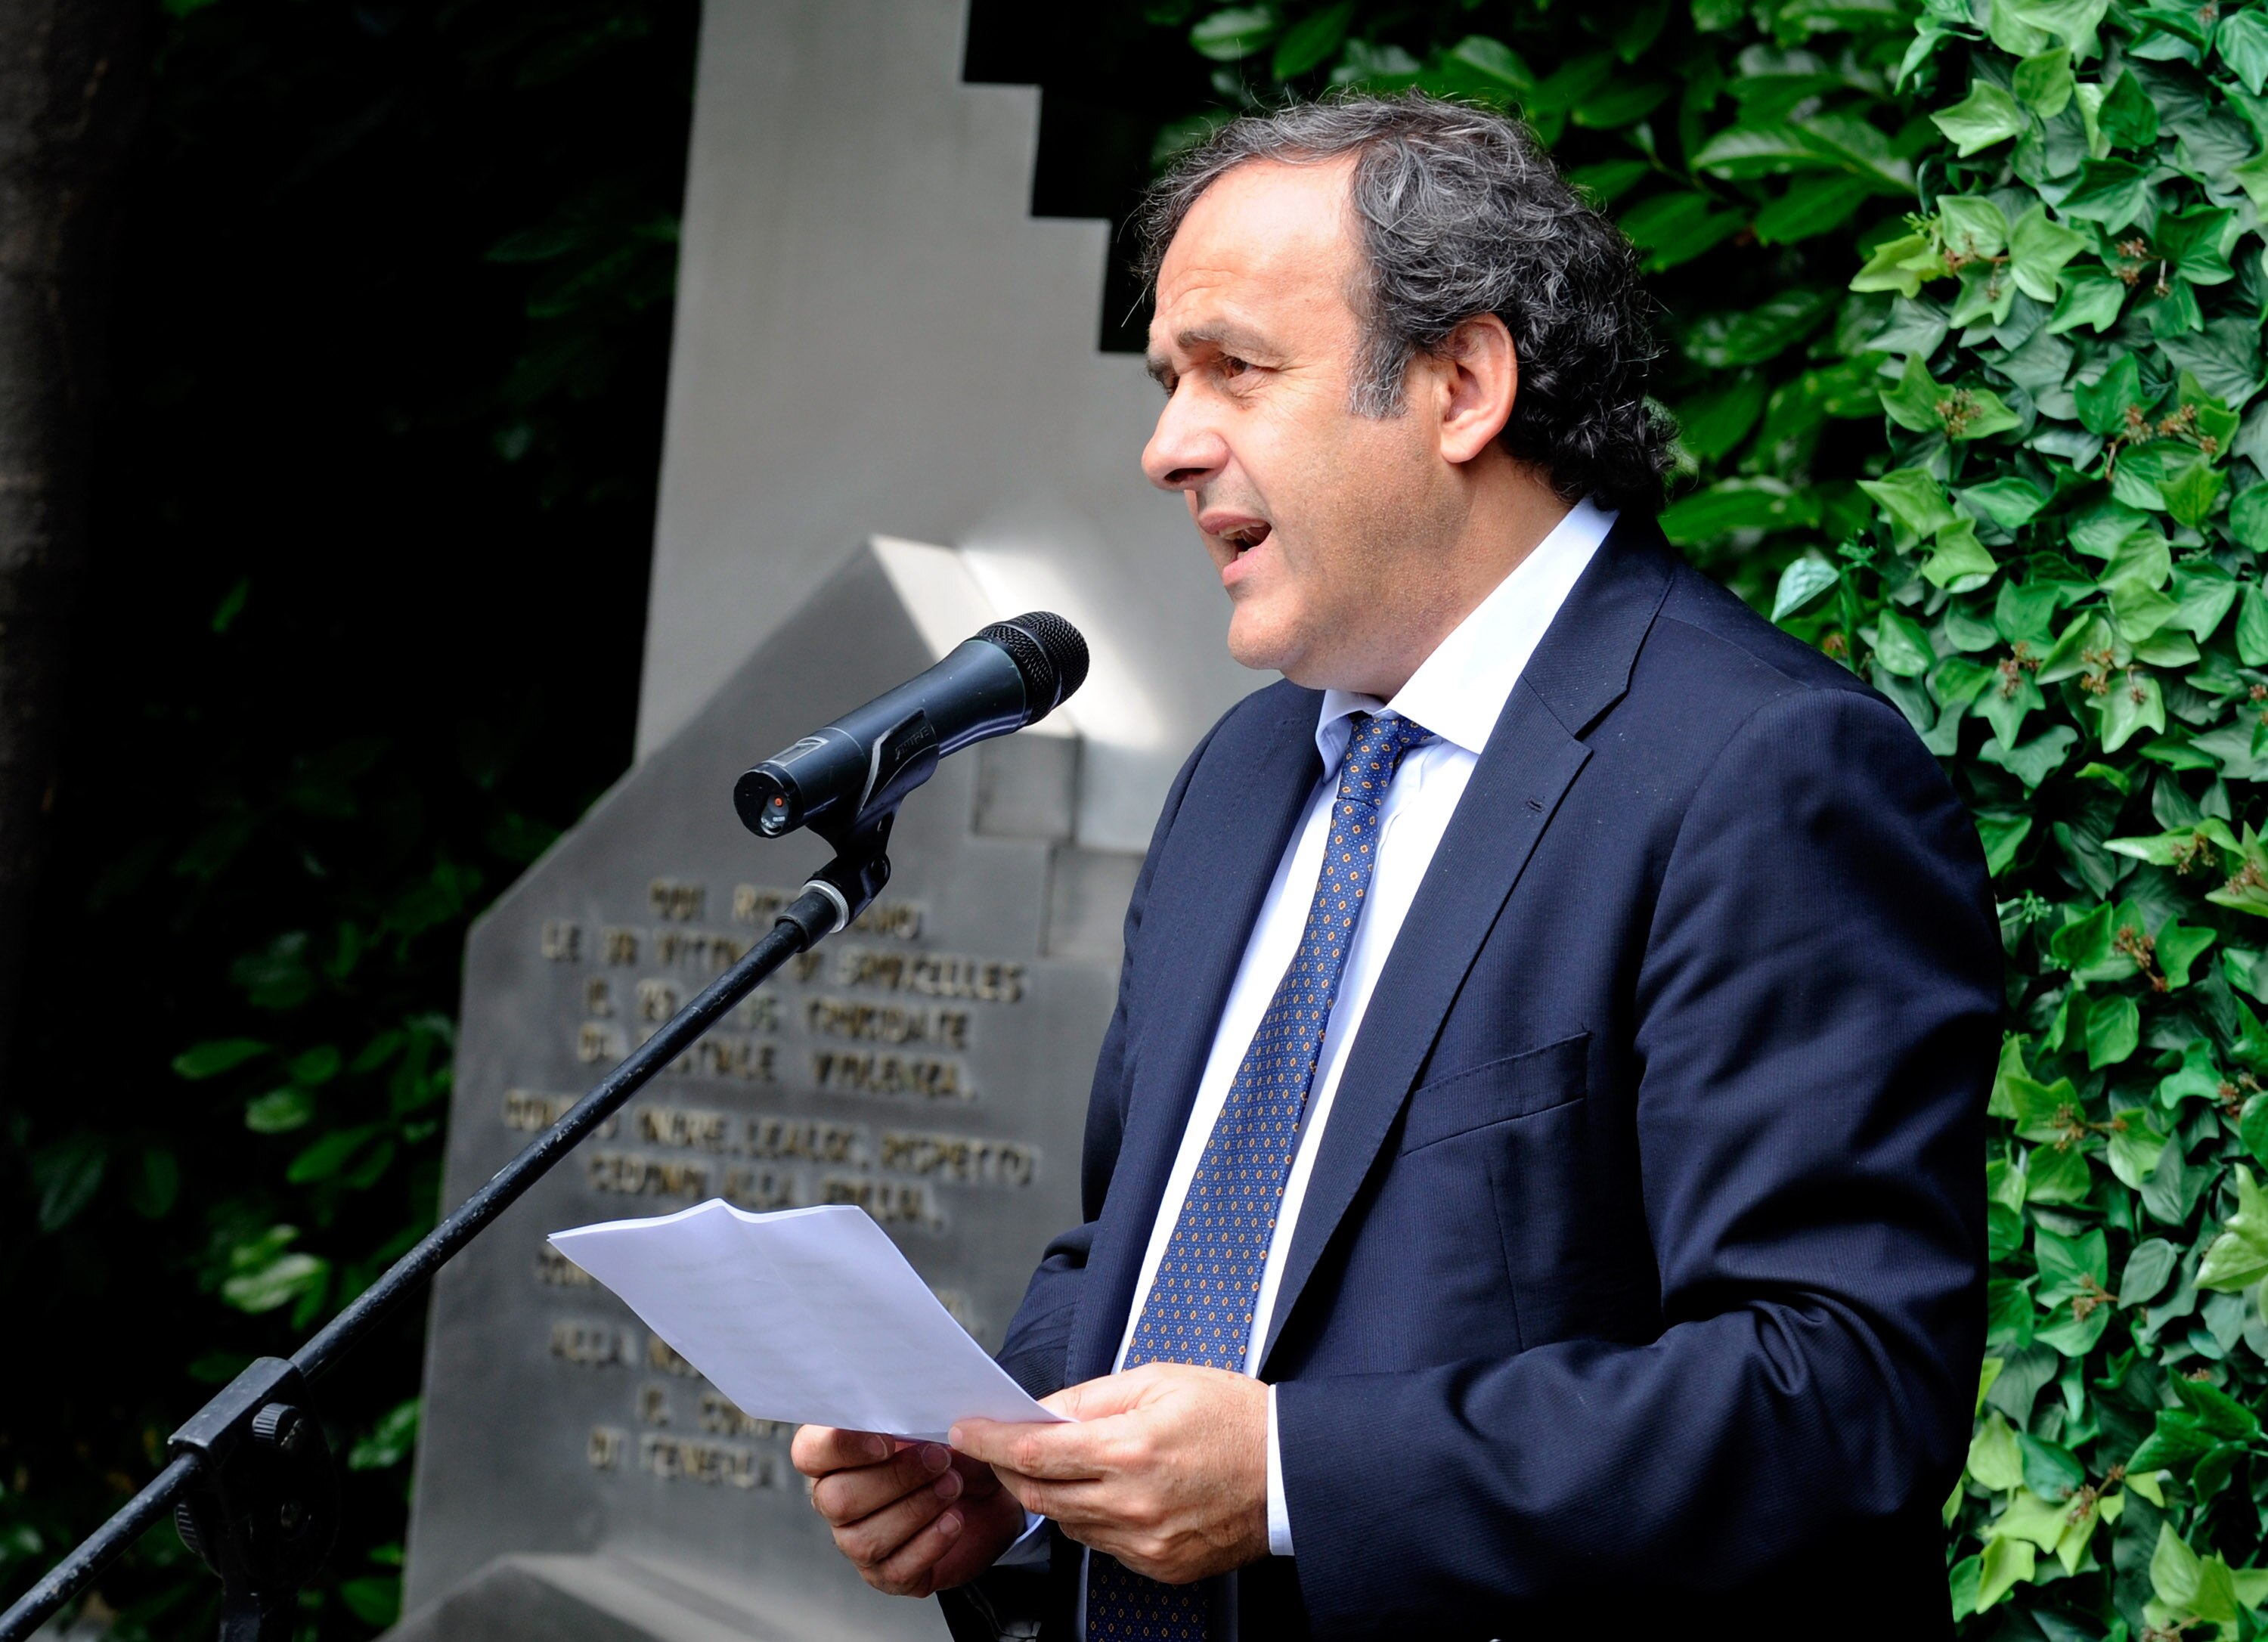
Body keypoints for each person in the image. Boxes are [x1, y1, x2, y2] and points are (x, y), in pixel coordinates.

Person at [792, 92, 1998, 1640]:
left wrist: (1296, 1475)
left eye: (1236, 369)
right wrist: (1006, 1463)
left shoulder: (1764, 773)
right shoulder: (1245, 770)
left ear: (1462, 383)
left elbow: (1836, 1392)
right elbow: (1144, 1250)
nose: (1167, 444)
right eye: (1170, 381)